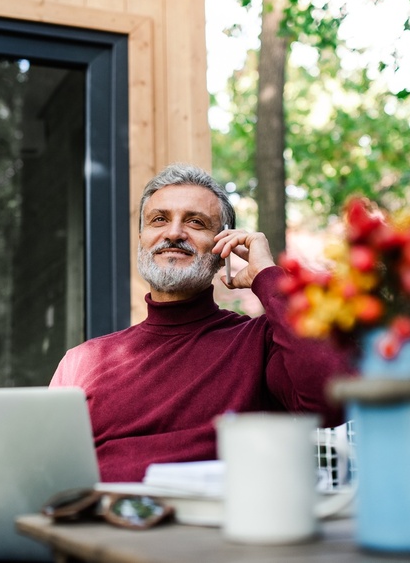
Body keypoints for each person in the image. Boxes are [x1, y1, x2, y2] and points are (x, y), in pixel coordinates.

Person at [50, 162, 351, 482]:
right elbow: (46, 467)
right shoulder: (83, 362)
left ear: (224, 248)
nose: (174, 233)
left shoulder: (259, 341)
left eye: (196, 222)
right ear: (142, 238)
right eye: (159, 220)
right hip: (103, 525)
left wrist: (268, 276)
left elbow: (328, 400)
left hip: (216, 526)